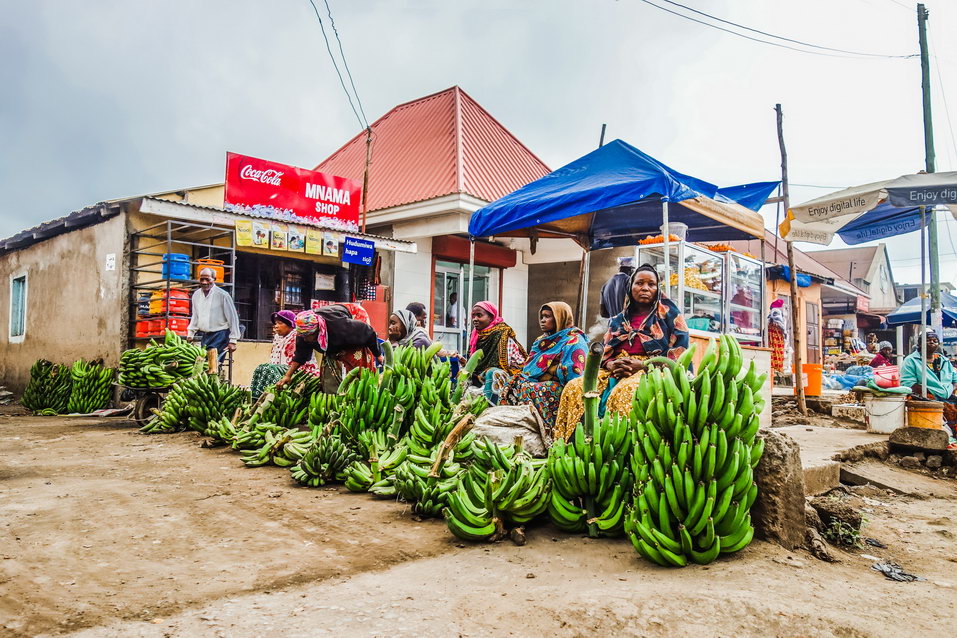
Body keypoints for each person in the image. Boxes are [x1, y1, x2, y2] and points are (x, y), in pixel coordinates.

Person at [555, 264, 689, 441]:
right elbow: (604, 353)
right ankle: (572, 447)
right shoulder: (618, 319)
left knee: (626, 392)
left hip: (655, 370)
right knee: (574, 388)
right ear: (630, 287)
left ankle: (616, 450)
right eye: (640, 283)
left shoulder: (671, 315)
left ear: (658, 289)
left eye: (651, 284)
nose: (645, 288)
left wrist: (642, 365)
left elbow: (679, 355)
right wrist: (611, 364)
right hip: (616, 369)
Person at [491, 302, 587, 444]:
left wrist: (553, 371)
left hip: (563, 389)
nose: (542, 320)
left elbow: (574, 376)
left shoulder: (574, 341)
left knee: (528, 388)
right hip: (541, 381)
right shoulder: (541, 341)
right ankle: (515, 430)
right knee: (512, 384)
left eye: (548, 316)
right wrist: (548, 370)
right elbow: (529, 368)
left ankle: (545, 432)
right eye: (542, 316)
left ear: (560, 318)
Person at [275, 306, 382, 390]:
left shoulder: (341, 327)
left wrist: (378, 354)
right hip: (332, 324)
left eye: (309, 336)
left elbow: (368, 332)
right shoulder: (303, 333)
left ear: (318, 331)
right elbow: (300, 356)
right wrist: (287, 375)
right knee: (331, 359)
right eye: (304, 337)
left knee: (353, 356)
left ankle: (361, 389)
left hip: (353, 313)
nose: (306, 339)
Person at [249, 310, 318, 398]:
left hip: (298, 373)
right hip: (282, 372)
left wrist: (286, 374)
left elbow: (300, 359)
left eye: (280, 323)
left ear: (290, 324)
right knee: (261, 368)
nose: (276, 326)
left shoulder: (298, 336)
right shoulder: (278, 339)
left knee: (268, 369)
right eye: (275, 323)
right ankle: (256, 397)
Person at [187, 267, 241, 363]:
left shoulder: (223, 295)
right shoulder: (196, 295)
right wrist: (191, 333)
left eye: (207, 279)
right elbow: (195, 316)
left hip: (220, 335)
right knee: (203, 362)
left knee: (212, 363)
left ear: (214, 279)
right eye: (202, 279)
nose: (204, 282)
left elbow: (232, 318)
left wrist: (233, 340)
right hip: (204, 335)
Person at [469, 301, 527, 383]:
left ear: (491, 317)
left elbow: (505, 365)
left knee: (491, 373)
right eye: (473, 316)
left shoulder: (502, 332)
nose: (475, 319)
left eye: (479, 315)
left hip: (506, 376)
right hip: (483, 375)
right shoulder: (475, 335)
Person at [767, 298, 788, 372]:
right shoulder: (777, 311)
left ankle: (775, 367)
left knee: (774, 349)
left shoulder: (774, 311)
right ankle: (777, 367)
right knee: (776, 349)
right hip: (776, 332)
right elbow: (780, 323)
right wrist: (785, 333)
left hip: (774, 332)